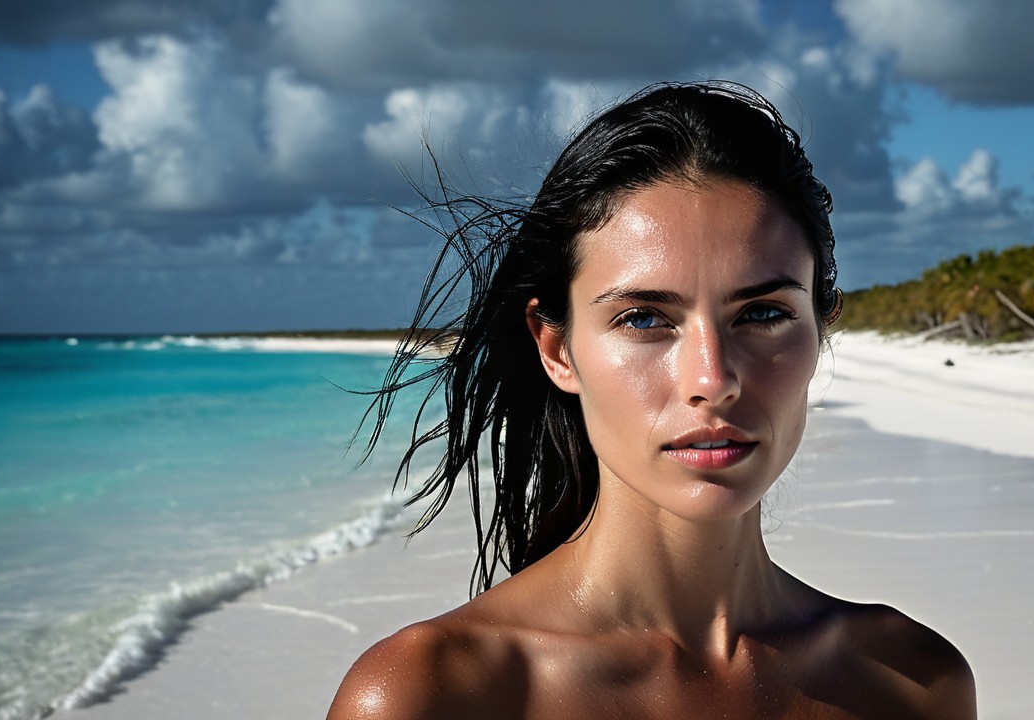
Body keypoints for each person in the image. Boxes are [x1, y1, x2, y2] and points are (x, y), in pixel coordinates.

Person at [329, 81, 975, 719]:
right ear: (556, 349)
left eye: (762, 313)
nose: (712, 377)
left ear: (820, 327)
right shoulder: (431, 695)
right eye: (643, 318)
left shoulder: (911, 682)